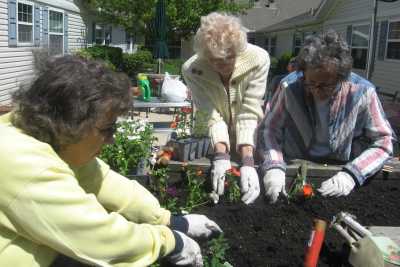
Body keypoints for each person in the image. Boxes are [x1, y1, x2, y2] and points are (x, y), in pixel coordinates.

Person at [0, 55, 222, 267]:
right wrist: (171, 242)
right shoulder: (26, 164)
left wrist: (169, 220)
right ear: (69, 124)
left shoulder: (43, 132)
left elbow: (101, 180)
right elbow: (99, 237)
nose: (112, 139)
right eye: (108, 129)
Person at [259, 30, 394, 203]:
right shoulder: (290, 86)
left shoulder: (362, 92)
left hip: (339, 169)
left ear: (341, 78)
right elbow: (268, 129)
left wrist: (353, 174)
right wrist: (274, 166)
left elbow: (384, 141)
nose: (316, 90)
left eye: (325, 85)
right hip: (295, 165)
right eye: (310, 83)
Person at [182, 12, 270, 205]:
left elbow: (249, 111)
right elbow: (209, 113)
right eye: (214, 60)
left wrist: (248, 161)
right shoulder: (192, 70)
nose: (222, 65)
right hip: (211, 138)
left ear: (238, 49)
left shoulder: (259, 59)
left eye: (228, 58)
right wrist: (221, 156)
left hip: (251, 136)